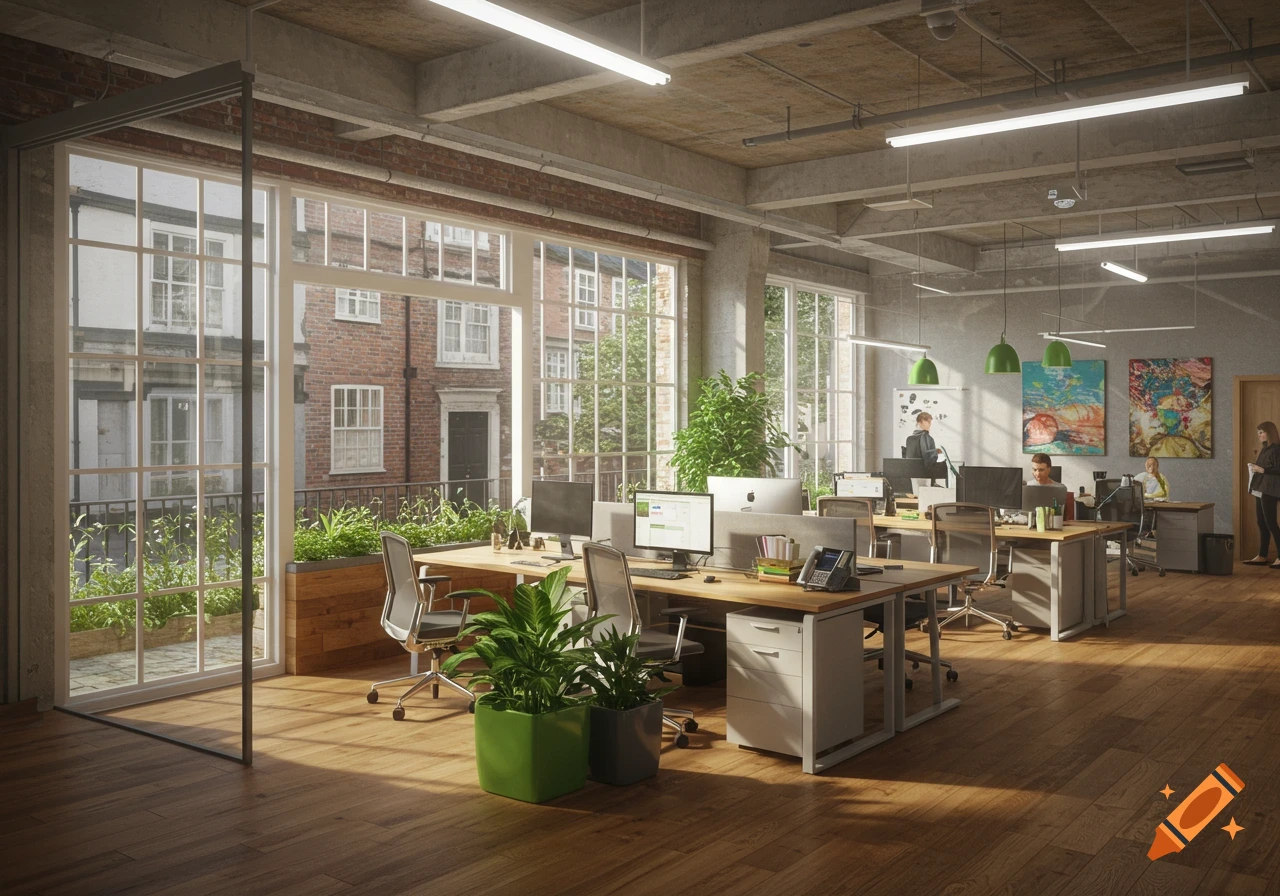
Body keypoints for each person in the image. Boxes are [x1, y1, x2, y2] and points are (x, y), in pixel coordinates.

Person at [1244, 421, 1280, 568]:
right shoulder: (1265, 448)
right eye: (1258, 432)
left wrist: (1262, 470)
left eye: (1261, 432)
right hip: (1260, 488)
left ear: (1269, 433)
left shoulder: (1276, 449)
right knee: (1261, 522)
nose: (1259, 435)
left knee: (1271, 523)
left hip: (1270, 489)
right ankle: (1262, 555)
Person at [1028, 453, 1075, 520]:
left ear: (1049, 470)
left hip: (1053, 521)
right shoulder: (1028, 485)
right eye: (1035, 470)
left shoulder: (1060, 488)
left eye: (1041, 470)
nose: (1037, 474)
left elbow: (1061, 514)